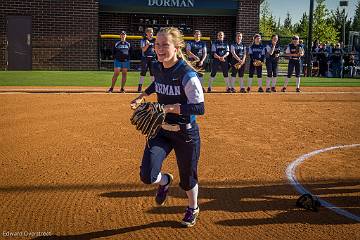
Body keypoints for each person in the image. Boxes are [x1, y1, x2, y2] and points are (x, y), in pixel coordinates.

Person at [130, 27, 205, 227]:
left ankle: (193, 207)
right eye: (157, 44)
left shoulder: (187, 74)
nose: (160, 49)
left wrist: (169, 107)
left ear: (177, 46)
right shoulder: (157, 66)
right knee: (147, 175)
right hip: (161, 130)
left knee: (188, 179)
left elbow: (199, 107)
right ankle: (164, 181)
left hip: (185, 133)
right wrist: (142, 95)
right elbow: (157, 83)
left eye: (165, 45)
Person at [137, 28, 157, 92]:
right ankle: (140, 87)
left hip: (153, 58)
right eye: (150, 32)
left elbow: (156, 49)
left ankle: (154, 88)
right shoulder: (143, 40)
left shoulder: (155, 40)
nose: (151, 34)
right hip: (145, 57)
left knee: (153, 73)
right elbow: (143, 50)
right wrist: (147, 45)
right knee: (143, 72)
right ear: (146, 33)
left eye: (152, 32)